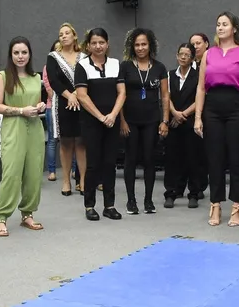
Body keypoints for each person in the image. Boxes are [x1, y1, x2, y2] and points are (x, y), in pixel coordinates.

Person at [194, 12, 239, 227]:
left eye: (225, 24)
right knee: (215, 158)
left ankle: (237, 206)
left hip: (236, 107)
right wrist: (198, 117)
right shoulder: (209, 54)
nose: (220, 28)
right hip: (212, 108)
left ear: (234, 28)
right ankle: (215, 204)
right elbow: (201, 87)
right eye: (218, 24)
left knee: (237, 158)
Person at [0, 37, 47, 236]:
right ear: (11, 55)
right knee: (12, 173)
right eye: (16, 53)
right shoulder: (3, 76)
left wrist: (40, 106)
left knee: (33, 173)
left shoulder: (35, 77)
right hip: (13, 127)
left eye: (24, 52)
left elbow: (38, 102)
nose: (20, 56)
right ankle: (1, 217)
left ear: (29, 54)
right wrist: (20, 110)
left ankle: (27, 213)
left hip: (34, 128)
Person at [75, 28, 125, 221]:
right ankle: (89, 205)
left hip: (112, 122)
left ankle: (109, 205)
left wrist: (112, 115)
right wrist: (100, 116)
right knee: (93, 164)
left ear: (107, 44)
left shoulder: (115, 64)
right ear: (88, 45)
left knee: (110, 164)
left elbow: (121, 92)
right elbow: (81, 96)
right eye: (94, 43)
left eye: (101, 42)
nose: (98, 46)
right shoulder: (82, 66)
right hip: (91, 123)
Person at [119, 28, 169, 215]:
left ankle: (148, 200)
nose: (140, 48)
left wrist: (165, 121)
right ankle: (131, 201)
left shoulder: (159, 67)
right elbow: (120, 96)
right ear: (132, 46)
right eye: (137, 44)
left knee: (149, 159)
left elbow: (165, 96)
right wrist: (122, 120)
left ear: (150, 46)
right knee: (130, 159)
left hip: (151, 120)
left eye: (144, 44)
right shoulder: (125, 67)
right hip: (130, 120)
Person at [45, 24, 86, 196]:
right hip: (62, 103)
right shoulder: (53, 57)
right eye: (60, 34)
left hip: (82, 102)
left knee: (82, 143)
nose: (64, 36)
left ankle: (83, 180)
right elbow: (54, 80)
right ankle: (66, 181)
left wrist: (76, 94)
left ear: (75, 36)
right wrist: (69, 95)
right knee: (66, 142)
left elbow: (87, 77)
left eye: (67, 33)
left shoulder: (84, 56)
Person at [163, 43, 203, 208]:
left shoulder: (199, 75)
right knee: (172, 158)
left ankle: (193, 193)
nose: (183, 57)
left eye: (187, 55)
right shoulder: (170, 75)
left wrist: (184, 114)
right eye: (181, 54)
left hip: (191, 121)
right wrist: (175, 113)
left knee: (193, 158)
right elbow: (166, 96)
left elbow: (200, 98)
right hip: (174, 121)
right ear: (176, 56)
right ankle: (171, 193)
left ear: (193, 58)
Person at [187, 31, 211, 197]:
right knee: (189, 152)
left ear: (206, 44)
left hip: (206, 113)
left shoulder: (211, 63)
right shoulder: (188, 66)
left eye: (198, 43)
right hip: (187, 115)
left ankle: (200, 186)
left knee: (202, 152)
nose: (195, 47)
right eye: (192, 44)